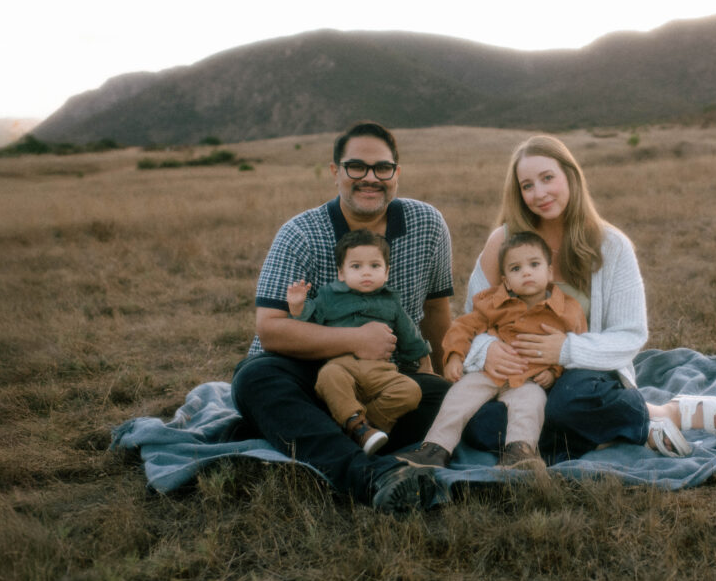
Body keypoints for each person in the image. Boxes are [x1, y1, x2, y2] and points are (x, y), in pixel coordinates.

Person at [459, 135, 716, 461]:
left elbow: (631, 334)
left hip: (584, 375)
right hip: (516, 376)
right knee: (478, 425)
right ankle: (624, 429)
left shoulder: (611, 245)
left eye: (548, 178)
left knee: (566, 404)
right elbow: (471, 320)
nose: (540, 193)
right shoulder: (503, 242)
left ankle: (667, 413)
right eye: (527, 185)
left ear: (571, 177)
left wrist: (565, 350)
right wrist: (487, 351)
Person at [231, 121, 454, 513]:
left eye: (382, 168)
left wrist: (446, 373)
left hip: (386, 376)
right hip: (306, 373)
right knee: (255, 379)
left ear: (396, 174)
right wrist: (355, 340)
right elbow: (270, 330)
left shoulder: (427, 225)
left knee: (439, 397)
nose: (370, 178)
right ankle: (372, 475)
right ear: (336, 172)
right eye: (356, 167)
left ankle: (306, 434)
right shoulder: (300, 233)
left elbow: (436, 311)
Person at [397, 231, 587, 471]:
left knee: (532, 404)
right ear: (506, 280)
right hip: (487, 373)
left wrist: (553, 371)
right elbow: (463, 327)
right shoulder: (493, 303)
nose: (526, 272)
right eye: (516, 269)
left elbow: (574, 347)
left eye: (534, 264)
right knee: (458, 397)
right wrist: (455, 356)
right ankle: (435, 448)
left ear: (549, 272)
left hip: (527, 379)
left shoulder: (567, 310)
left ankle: (519, 452)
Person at [287, 229, 429, 455]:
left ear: (387, 272)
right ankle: (358, 427)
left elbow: (409, 335)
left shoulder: (391, 302)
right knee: (328, 377)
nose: (366, 273)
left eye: (374, 266)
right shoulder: (328, 296)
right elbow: (309, 322)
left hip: (380, 371)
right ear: (341, 273)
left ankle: (360, 427)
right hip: (342, 365)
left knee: (411, 391)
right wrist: (297, 307)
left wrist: (424, 362)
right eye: (356, 267)